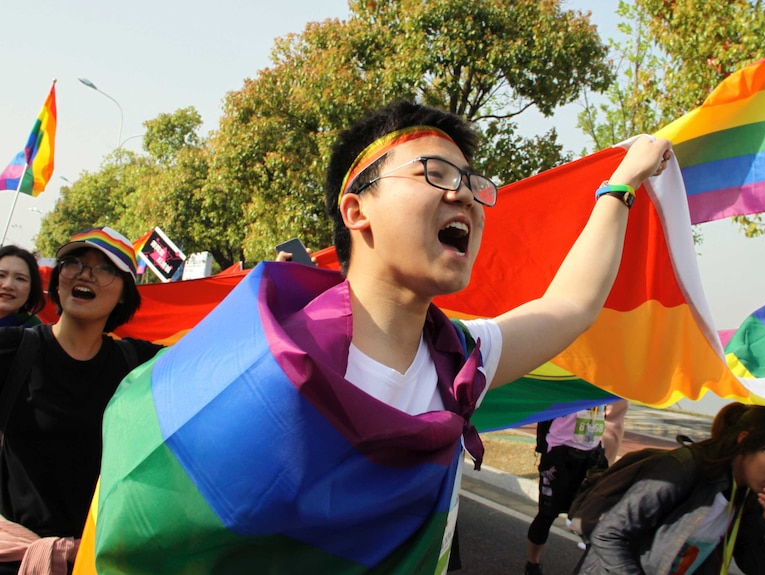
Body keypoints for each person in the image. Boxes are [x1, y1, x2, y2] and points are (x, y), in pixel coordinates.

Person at [90, 100, 671, 573]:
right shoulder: (265, 365)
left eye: (472, 181)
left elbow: (571, 305)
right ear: (356, 210)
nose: (464, 194)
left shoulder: (459, 361)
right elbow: (147, 521)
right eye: (435, 173)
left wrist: (620, 184)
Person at [0, 227, 163, 574]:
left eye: (104, 268)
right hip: (14, 559)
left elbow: (219, 360)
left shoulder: (138, 364)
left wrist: (272, 290)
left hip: (99, 562)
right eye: (73, 262)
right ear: (58, 280)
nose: (85, 274)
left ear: (124, 293)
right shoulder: (13, 350)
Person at [574, 406, 765, 575]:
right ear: (745, 441)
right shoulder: (682, 468)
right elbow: (608, 535)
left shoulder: (747, 494)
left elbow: (756, 567)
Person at [525, 405, 612, 575]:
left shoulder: (605, 384)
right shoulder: (572, 380)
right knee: (547, 514)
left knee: (593, 514)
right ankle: (532, 565)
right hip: (560, 453)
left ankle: (590, 567)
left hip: (592, 454)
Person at [0, 245, 45, 328]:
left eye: (20, 279)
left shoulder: (37, 335)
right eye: (1, 275)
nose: (8, 285)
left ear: (32, 288)